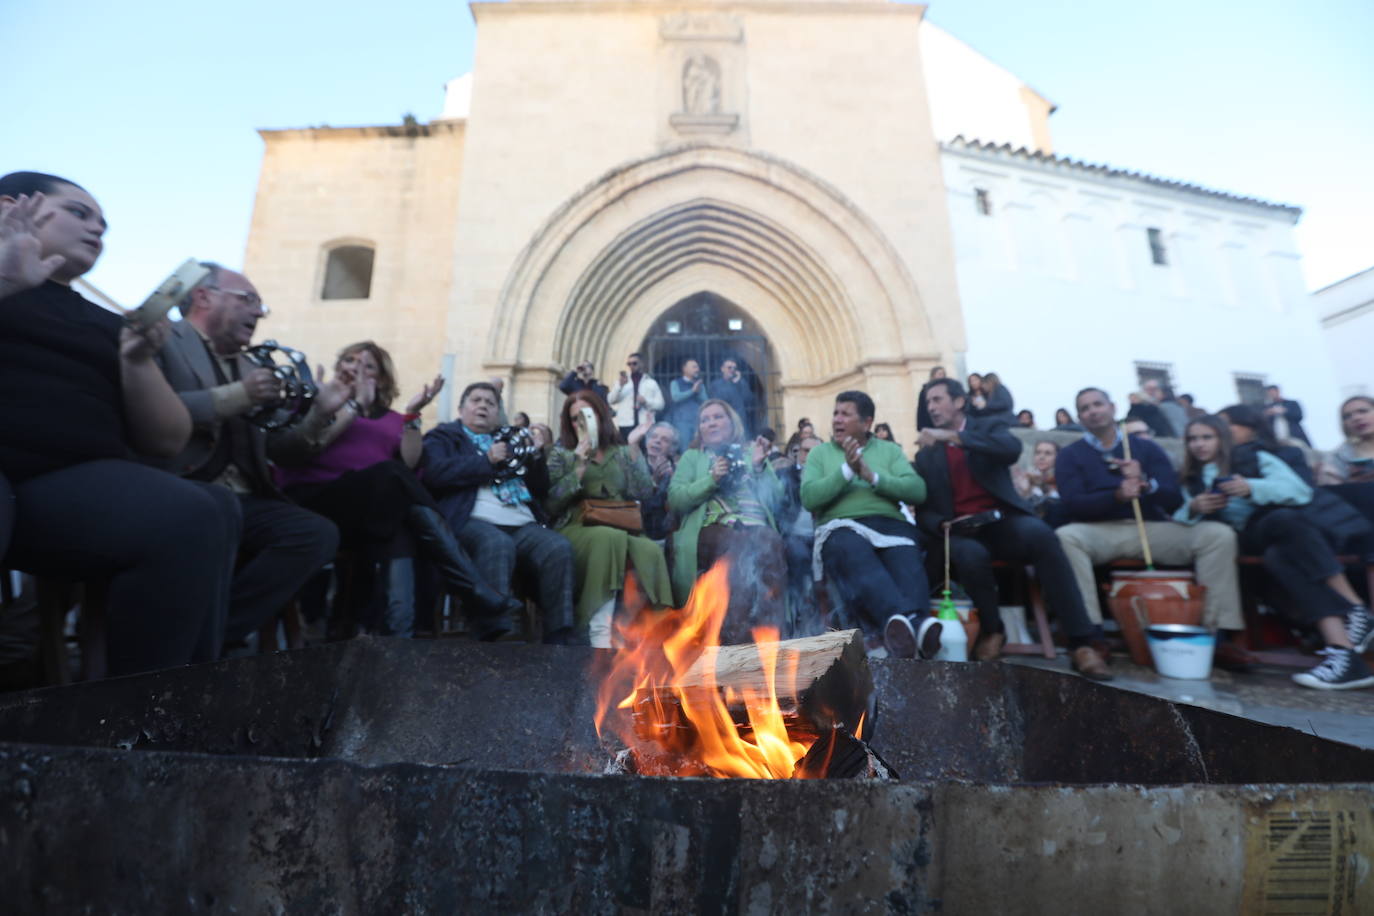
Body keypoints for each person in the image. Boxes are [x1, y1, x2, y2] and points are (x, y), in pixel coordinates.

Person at [0, 172, 235, 675]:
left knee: (203, 509)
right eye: (79, 213)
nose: (96, 230)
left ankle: (159, 704)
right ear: (10, 207)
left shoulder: (109, 324)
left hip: (63, 488)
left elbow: (168, 439)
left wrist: (136, 360)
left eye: (103, 225)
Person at [274, 341, 520, 638]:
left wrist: (412, 414)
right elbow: (298, 449)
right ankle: (472, 586)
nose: (356, 369)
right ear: (339, 366)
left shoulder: (391, 420)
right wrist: (351, 407)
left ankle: (399, 636)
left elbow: (411, 465)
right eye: (350, 360)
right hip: (317, 500)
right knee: (390, 477)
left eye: (368, 366)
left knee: (398, 520)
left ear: (380, 379)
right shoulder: (318, 400)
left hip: (370, 514)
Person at [155, 261, 342, 647]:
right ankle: (198, 643)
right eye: (248, 300)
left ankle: (214, 635)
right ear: (204, 297)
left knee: (316, 534)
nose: (258, 312)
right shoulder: (162, 340)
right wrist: (238, 396)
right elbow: (153, 412)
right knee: (216, 510)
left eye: (260, 305)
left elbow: (280, 449)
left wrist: (320, 415)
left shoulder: (251, 364)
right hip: (177, 487)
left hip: (244, 500)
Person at [903, 379, 1110, 678]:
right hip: (959, 531)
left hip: (1002, 522)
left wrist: (953, 437)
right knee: (969, 555)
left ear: (959, 401)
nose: (931, 407)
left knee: (1042, 536)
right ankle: (993, 630)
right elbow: (925, 512)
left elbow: (1010, 448)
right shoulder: (927, 454)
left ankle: (1082, 643)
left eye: (937, 399)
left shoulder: (987, 428)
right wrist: (941, 524)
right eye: (928, 402)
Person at [1055, 389, 1252, 670]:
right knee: (1066, 537)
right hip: (1099, 531)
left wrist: (1147, 484)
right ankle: (1090, 636)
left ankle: (1218, 636)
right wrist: (1116, 495)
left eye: (1098, 404)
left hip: (1152, 528)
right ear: (1079, 417)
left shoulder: (1146, 448)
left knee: (1217, 536)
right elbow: (1073, 504)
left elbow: (1173, 498)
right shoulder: (1070, 455)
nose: (1093, 411)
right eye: (1085, 408)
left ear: (1113, 407)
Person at [1174, 416, 1372, 689]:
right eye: (1192, 439)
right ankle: (1356, 608)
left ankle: (1344, 654)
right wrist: (1196, 507)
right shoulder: (1189, 478)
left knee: (1280, 555)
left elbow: (1299, 491)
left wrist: (1252, 487)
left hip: (1283, 536)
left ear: (1222, 438)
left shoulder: (1253, 458)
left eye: (1207, 437)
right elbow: (1178, 518)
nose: (1199, 444)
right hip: (1243, 539)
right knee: (1284, 524)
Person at [422, 382, 576, 642]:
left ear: (497, 413)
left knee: (558, 547)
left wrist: (537, 457)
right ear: (461, 408)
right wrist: (486, 461)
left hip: (521, 522)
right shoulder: (444, 436)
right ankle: (493, 630)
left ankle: (559, 636)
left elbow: (540, 488)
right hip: (471, 520)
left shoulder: (510, 439)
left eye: (490, 403)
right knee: (497, 543)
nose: (483, 406)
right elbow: (434, 474)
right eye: (476, 400)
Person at [801, 391, 939, 655]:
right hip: (841, 527)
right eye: (835, 413)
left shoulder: (889, 451)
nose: (837, 419)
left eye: (845, 414)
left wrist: (872, 476)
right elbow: (809, 497)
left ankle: (909, 630)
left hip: (890, 525)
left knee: (905, 552)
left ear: (866, 423)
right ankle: (908, 622)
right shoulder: (820, 454)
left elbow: (917, 490)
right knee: (850, 547)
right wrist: (847, 471)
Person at [547, 390, 673, 645]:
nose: (582, 422)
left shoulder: (621, 452)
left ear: (600, 415)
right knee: (607, 538)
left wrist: (634, 446)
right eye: (575, 418)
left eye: (588, 414)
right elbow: (551, 503)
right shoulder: (561, 454)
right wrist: (579, 465)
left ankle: (641, 633)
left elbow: (643, 492)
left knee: (650, 550)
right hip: (577, 524)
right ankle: (598, 630)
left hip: (622, 523)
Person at [668, 399, 786, 642]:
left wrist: (760, 467)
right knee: (739, 546)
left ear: (733, 423)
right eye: (705, 420)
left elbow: (778, 498)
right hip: (713, 527)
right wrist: (711, 479)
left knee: (771, 542)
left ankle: (770, 634)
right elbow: (676, 499)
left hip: (755, 527)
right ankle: (737, 635)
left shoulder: (752, 453)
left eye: (717, 417)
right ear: (699, 429)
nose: (711, 423)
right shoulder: (693, 457)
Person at [638, 420, 680, 542]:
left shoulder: (677, 472)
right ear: (647, 442)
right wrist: (654, 482)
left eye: (665, 440)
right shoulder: (634, 467)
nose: (657, 441)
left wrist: (674, 481)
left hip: (667, 536)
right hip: (638, 533)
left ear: (672, 449)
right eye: (653, 436)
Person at [608, 352, 665, 441]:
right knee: (627, 449)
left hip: (645, 424)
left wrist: (646, 401)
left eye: (634, 363)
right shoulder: (622, 382)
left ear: (642, 364)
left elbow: (661, 405)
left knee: (645, 448)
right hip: (626, 424)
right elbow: (610, 400)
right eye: (629, 364)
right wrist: (620, 386)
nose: (631, 366)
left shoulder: (651, 383)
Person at [1319, 396, 1374, 484]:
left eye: (1363, 411)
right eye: (1347, 416)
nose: (1356, 418)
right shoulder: (1337, 457)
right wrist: (1352, 484)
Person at [1012, 439, 1061, 521]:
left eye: (1048, 453)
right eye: (1038, 453)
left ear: (1058, 457)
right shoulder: (1023, 478)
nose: (1041, 457)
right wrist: (1025, 492)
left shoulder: (1063, 480)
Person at [667, 358, 707, 448]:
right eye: (694, 367)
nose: (697, 369)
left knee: (699, 448)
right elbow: (676, 397)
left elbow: (705, 401)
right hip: (681, 422)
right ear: (684, 369)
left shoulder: (700, 385)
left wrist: (698, 390)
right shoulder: (675, 383)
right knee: (684, 448)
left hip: (697, 421)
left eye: (697, 367)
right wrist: (692, 391)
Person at [708, 358, 754, 435]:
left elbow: (748, 399)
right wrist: (732, 384)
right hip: (723, 420)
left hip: (740, 420)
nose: (732, 370)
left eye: (734, 368)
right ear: (722, 369)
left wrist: (738, 383)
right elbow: (717, 401)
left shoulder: (741, 383)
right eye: (729, 368)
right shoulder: (716, 385)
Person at [917, 366, 947, 431]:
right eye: (939, 374)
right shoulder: (925, 390)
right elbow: (922, 409)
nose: (942, 376)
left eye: (943, 374)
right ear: (933, 375)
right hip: (931, 423)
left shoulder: (947, 389)